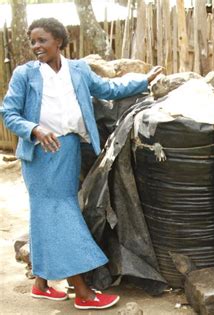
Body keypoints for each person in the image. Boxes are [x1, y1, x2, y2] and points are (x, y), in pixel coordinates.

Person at [0, 17, 162, 310]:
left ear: (59, 41)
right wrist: (34, 129)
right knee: (60, 214)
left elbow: (108, 90)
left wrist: (143, 81)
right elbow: (8, 112)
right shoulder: (25, 74)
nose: (36, 46)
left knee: (46, 215)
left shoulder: (78, 70)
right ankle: (83, 291)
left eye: (42, 40)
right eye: (32, 41)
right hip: (39, 155)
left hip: (69, 148)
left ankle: (41, 284)